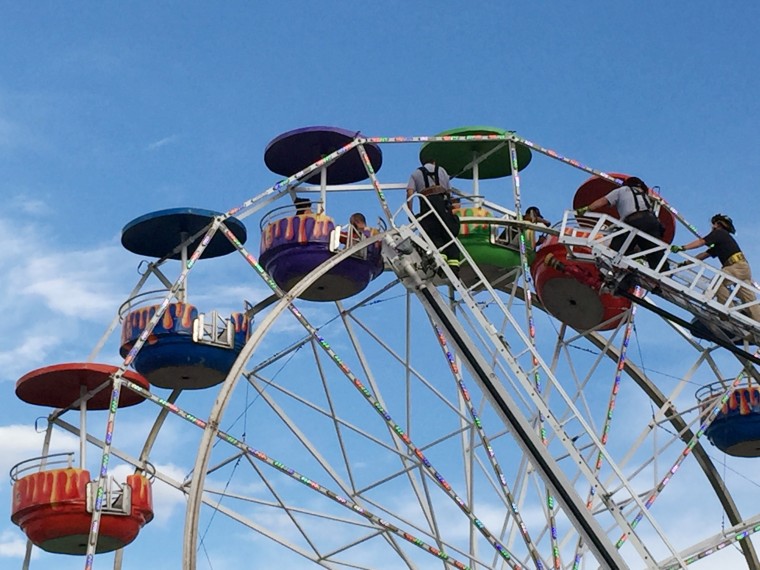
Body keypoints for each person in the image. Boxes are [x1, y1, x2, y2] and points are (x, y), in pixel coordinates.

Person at [671, 214, 760, 321]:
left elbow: (701, 242)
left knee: (718, 283)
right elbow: (704, 255)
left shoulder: (719, 233)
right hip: (742, 268)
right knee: (749, 300)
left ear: (718, 224)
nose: (712, 227)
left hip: (735, 267)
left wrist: (683, 248)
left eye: (713, 224)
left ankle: (726, 311)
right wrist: (686, 263)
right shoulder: (722, 240)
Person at [575, 176, 666, 270]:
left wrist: (587, 209)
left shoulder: (621, 190)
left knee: (616, 248)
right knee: (654, 251)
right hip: (652, 222)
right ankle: (662, 271)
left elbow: (603, 201)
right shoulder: (645, 196)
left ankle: (628, 262)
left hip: (633, 220)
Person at [406, 160, 461, 276]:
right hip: (442, 203)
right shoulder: (442, 171)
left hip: (426, 204)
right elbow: (448, 191)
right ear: (434, 162)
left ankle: (441, 265)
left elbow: (410, 192)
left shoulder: (415, 174)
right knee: (449, 234)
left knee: (433, 233)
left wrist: (410, 212)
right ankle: (454, 268)